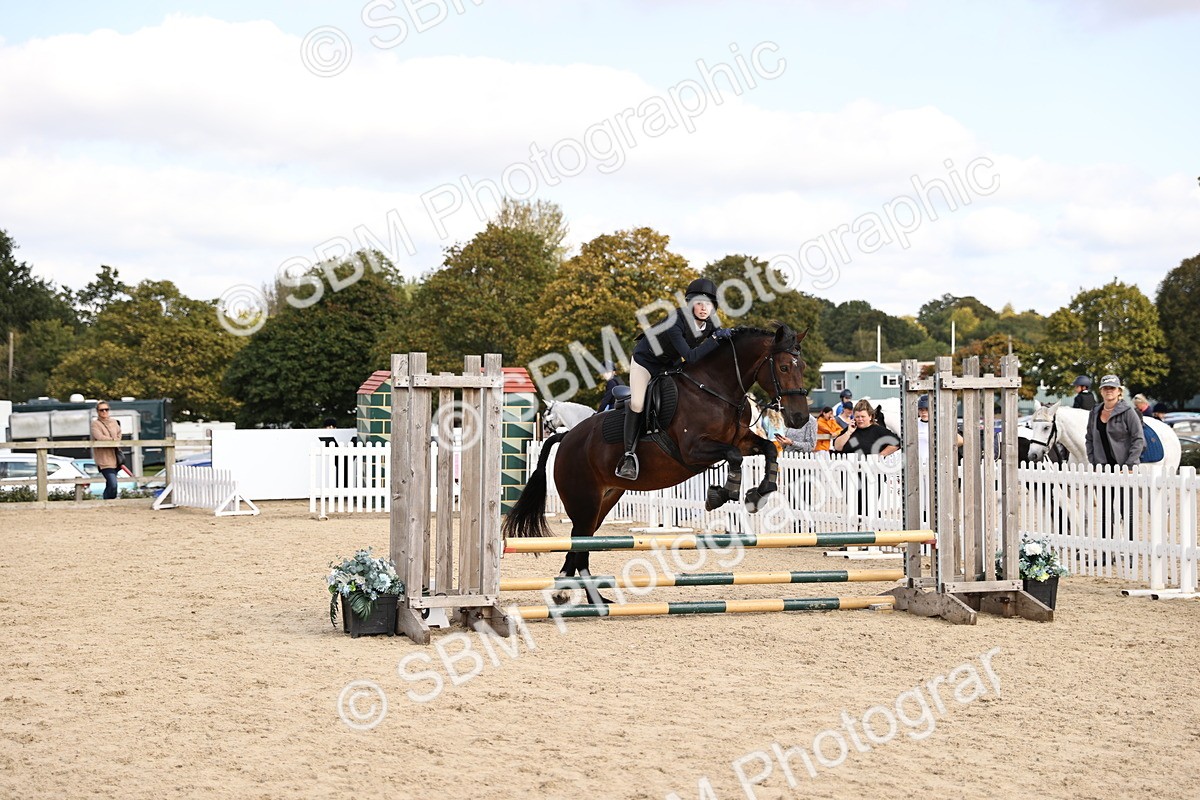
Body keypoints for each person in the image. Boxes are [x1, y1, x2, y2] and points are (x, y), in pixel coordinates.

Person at [617, 278, 729, 480]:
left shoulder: (710, 323)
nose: (704, 309)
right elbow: (692, 356)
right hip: (646, 362)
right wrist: (715, 339)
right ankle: (628, 456)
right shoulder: (675, 320)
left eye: (709, 305)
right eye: (700, 303)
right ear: (691, 304)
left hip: (669, 365)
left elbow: (716, 349)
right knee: (637, 402)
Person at [1085, 374, 1145, 541]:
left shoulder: (1128, 412)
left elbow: (1138, 439)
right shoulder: (1095, 412)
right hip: (1103, 470)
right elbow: (1089, 438)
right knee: (1104, 513)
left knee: (1127, 512)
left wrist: (1131, 465)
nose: (1109, 391)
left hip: (1125, 469)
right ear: (1101, 391)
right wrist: (1093, 461)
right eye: (1105, 388)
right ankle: (1106, 552)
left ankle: (1130, 551)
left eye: (1112, 388)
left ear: (1119, 391)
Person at [833, 400, 900, 457]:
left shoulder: (878, 430)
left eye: (863, 416)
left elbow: (896, 443)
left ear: (870, 416)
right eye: (857, 417)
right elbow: (837, 447)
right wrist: (849, 432)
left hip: (871, 469)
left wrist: (880, 456)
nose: (860, 419)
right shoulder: (850, 429)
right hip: (850, 469)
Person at [90, 401, 123, 500]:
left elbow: (119, 433)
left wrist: (116, 440)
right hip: (104, 459)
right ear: (97, 411)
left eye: (106, 409)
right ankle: (108, 500)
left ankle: (108, 501)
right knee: (113, 483)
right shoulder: (95, 424)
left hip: (116, 458)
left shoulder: (114, 422)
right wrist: (113, 440)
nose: (104, 412)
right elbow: (99, 436)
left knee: (111, 484)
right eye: (101, 410)